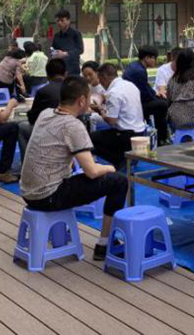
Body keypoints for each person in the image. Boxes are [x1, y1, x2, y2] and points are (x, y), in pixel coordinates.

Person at [20, 75, 129, 261]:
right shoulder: (73, 125)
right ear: (81, 100)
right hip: (48, 196)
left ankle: (101, 242)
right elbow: (92, 172)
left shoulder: (46, 113)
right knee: (119, 181)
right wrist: (109, 168)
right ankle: (105, 244)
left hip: (27, 192)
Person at [89, 63, 146, 169]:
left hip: (126, 136)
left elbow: (112, 120)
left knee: (90, 138)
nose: (100, 83)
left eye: (100, 79)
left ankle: (118, 160)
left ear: (104, 77)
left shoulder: (113, 92)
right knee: (102, 135)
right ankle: (120, 159)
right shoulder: (130, 85)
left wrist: (100, 110)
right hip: (141, 131)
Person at [19, 57, 68, 155]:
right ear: (66, 73)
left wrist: (29, 113)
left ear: (47, 75)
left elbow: (33, 118)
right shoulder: (74, 89)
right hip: (70, 131)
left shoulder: (43, 91)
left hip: (49, 132)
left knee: (21, 127)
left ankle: (27, 161)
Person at [123, 45, 169, 141]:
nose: (155, 61)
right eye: (154, 58)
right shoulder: (139, 71)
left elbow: (145, 87)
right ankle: (162, 137)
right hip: (134, 104)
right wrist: (156, 97)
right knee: (163, 104)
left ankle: (161, 136)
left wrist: (155, 94)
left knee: (161, 101)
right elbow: (145, 94)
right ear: (147, 58)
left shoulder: (135, 65)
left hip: (134, 99)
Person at [51, 9, 84, 76]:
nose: (59, 23)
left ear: (68, 21)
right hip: (60, 69)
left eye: (62, 20)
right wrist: (54, 54)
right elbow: (53, 50)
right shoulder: (56, 36)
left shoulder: (76, 34)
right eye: (57, 21)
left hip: (73, 69)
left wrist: (65, 54)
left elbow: (80, 50)